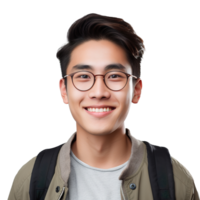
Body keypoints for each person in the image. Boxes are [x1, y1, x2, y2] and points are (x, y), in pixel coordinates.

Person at [6, 12, 199, 200]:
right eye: (83, 76)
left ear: (137, 90)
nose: (99, 92)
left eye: (115, 76)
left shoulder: (175, 180)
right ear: (63, 90)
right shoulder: (30, 179)